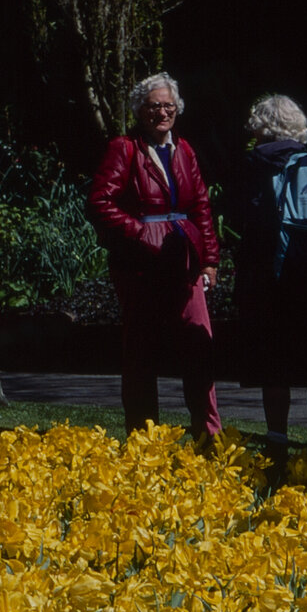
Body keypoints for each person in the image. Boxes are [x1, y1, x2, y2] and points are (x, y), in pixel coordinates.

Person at [89, 72, 221, 439]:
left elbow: (202, 208)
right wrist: (141, 231)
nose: (162, 112)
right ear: (139, 111)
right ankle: (144, 438)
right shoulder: (124, 148)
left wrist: (209, 260)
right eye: (154, 106)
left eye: (168, 105)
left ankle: (209, 434)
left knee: (199, 344)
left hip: (185, 262)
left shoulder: (186, 150)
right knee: (141, 352)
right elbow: (100, 202)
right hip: (140, 267)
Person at [229, 93, 307, 475]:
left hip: (269, 276)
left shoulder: (255, 164)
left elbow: (239, 218)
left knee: (274, 365)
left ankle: (276, 443)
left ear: (262, 126)